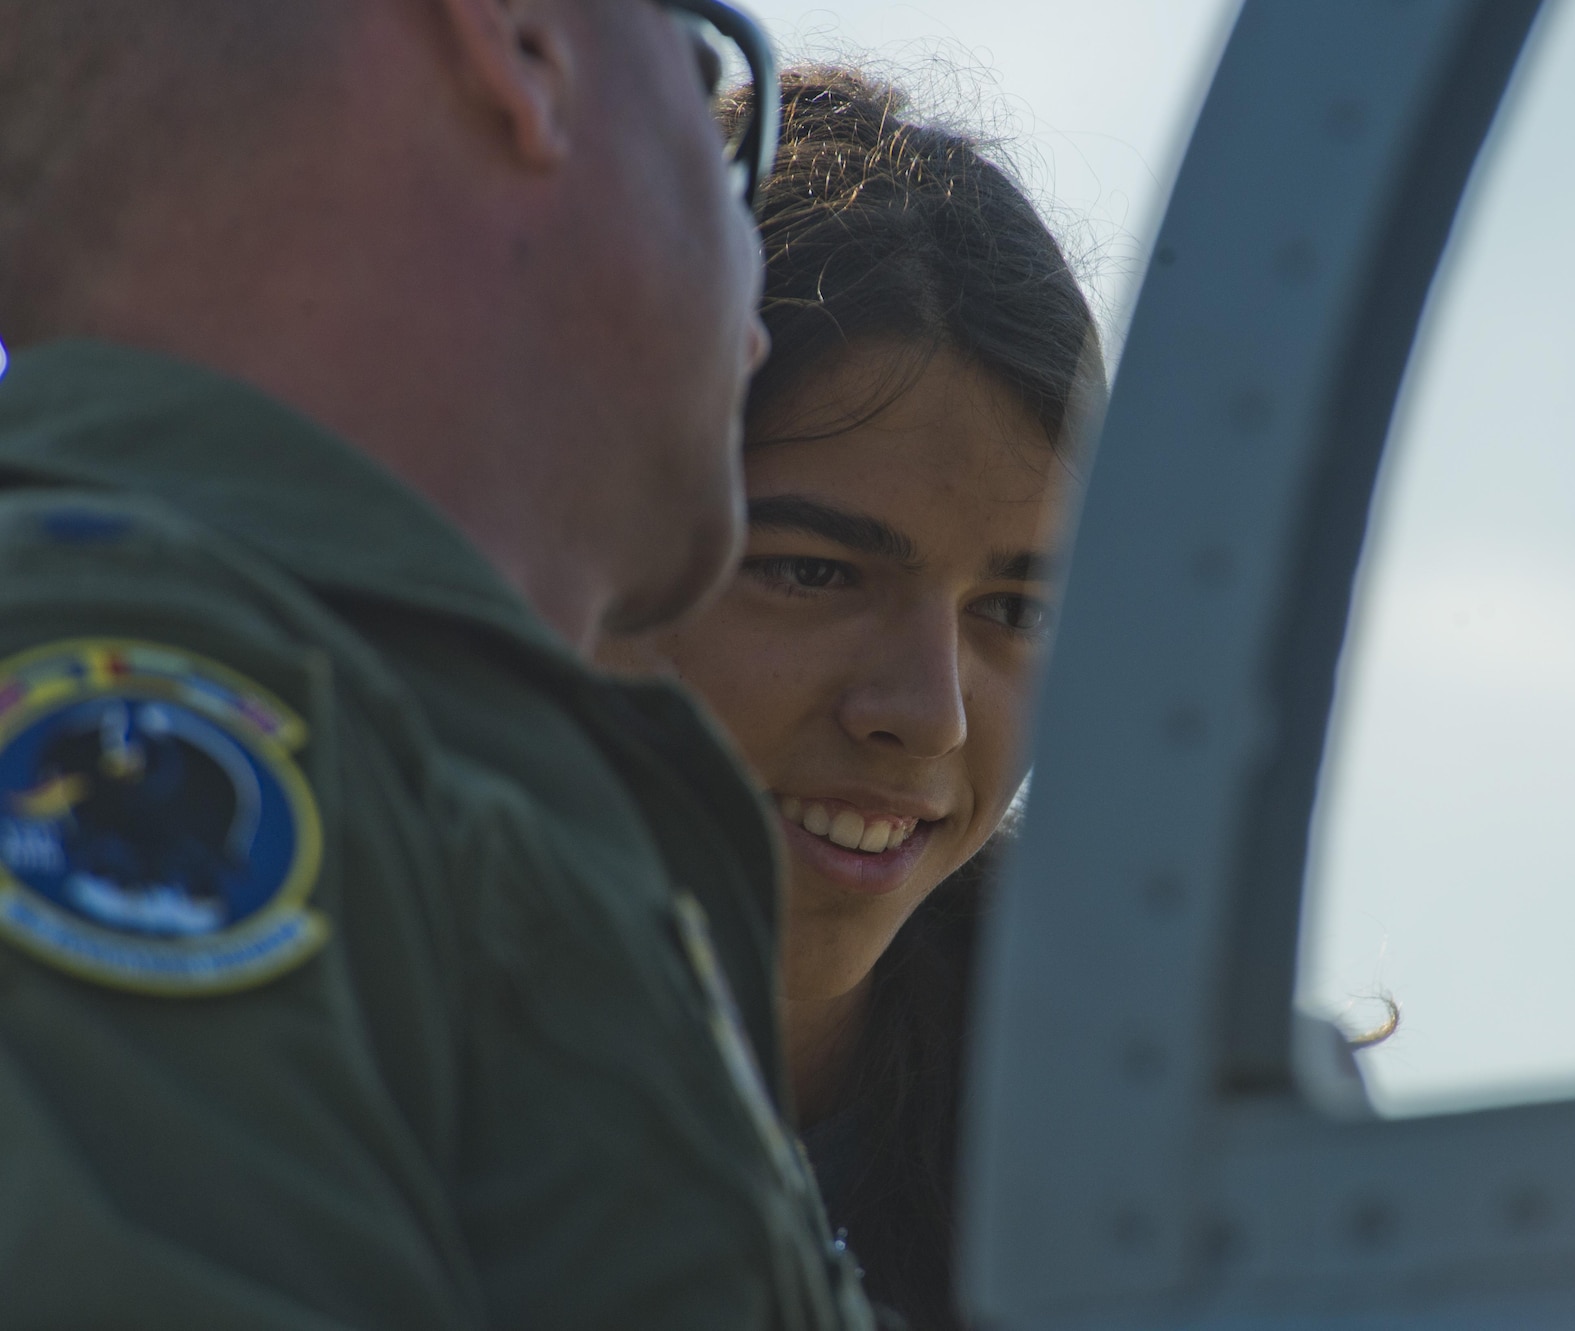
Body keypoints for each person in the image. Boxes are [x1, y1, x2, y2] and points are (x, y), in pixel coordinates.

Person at [0, 2, 869, 1327]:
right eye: (706, 91)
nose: (755, 277)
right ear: (519, 46)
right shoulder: (118, 676)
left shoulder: (364, 725)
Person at [596, 68, 1105, 1328]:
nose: (926, 713)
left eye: (1018, 610)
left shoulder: (1139, 1131)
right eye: (813, 572)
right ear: (580, 542)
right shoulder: (297, 1043)